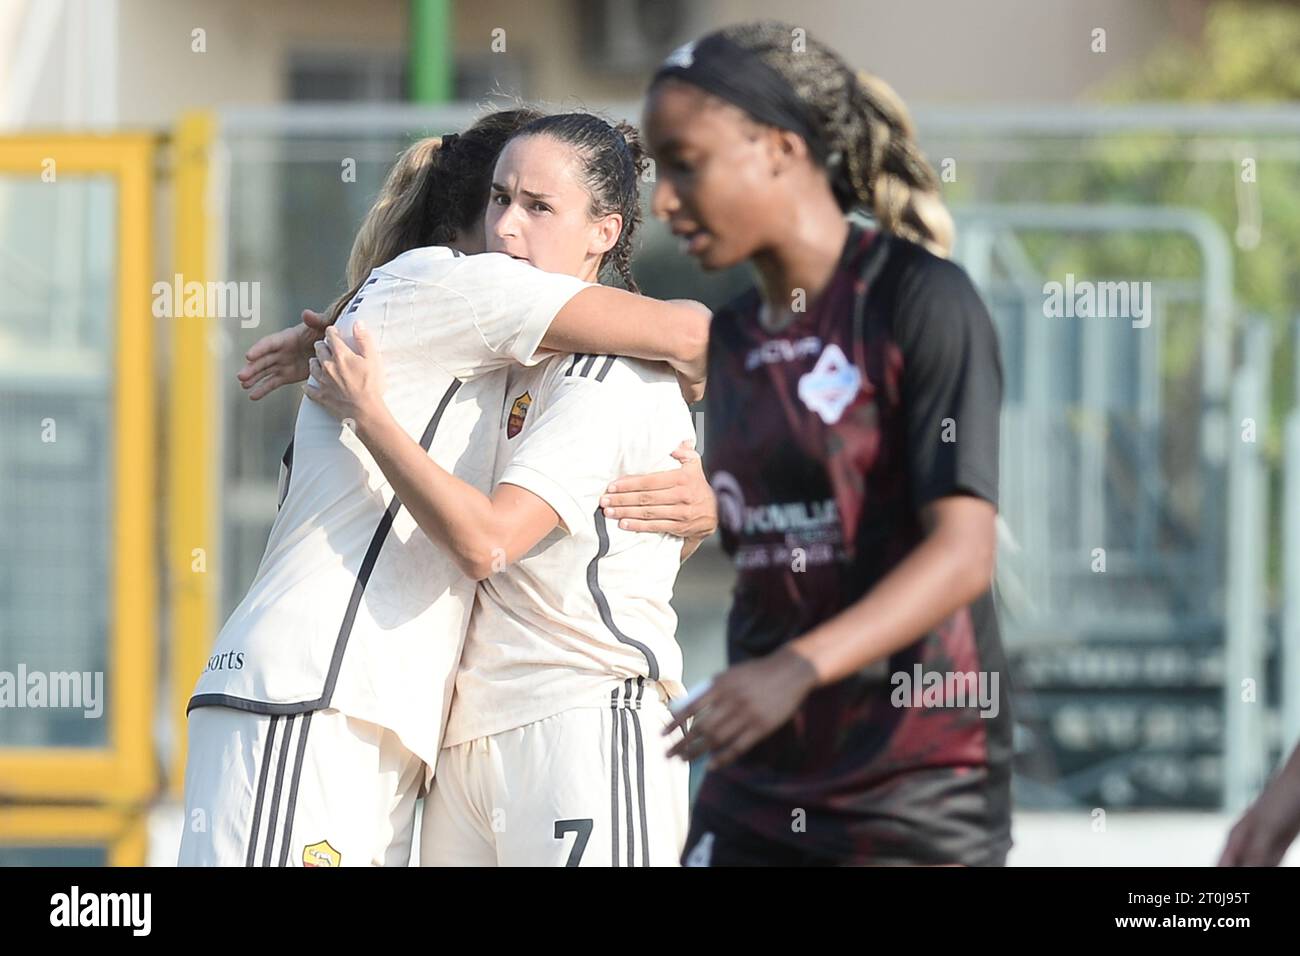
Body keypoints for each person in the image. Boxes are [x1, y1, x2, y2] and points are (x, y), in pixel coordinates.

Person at [179, 108, 712, 867]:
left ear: (605, 227)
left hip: (396, 720)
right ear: (469, 210)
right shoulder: (464, 287)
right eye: (501, 200)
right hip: (313, 695)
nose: (509, 228)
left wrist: (718, 501)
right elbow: (696, 333)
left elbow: (616, 528)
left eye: (536, 205)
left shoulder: (493, 354)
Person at [642, 22, 1012, 866]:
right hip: (760, 783)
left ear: (777, 149)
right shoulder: (733, 338)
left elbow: (963, 554)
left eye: (685, 163)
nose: (663, 201)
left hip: (912, 785)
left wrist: (795, 670)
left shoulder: (919, 300)